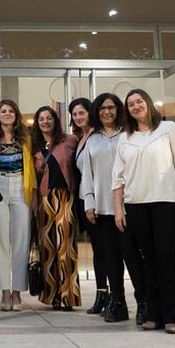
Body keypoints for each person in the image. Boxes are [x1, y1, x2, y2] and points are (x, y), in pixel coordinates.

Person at [112, 89, 175, 334]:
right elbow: (118, 177)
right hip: (136, 204)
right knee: (148, 259)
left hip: (166, 201)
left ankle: (172, 317)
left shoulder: (168, 129)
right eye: (131, 104)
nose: (135, 106)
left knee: (165, 255)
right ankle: (153, 315)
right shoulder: (125, 137)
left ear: (147, 103)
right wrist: (118, 210)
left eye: (139, 101)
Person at [79, 93, 146, 324]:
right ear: (96, 112)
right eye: (102, 108)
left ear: (118, 109)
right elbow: (87, 174)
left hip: (128, 206)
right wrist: (89, 202)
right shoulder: (93, 139)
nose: (107, 112)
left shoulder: (129, 134)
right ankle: (117, 302)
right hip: (102, 208)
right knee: (110, 258)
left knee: (131, 255)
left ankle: (143, 301)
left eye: (111, 107)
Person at [0, 99, 34, 312]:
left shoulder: (26, 138)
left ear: (16, 115)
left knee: (21, 240)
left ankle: (17, 292)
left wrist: (34, 194)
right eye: (3, 111)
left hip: (21, 186)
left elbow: (32, 170)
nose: (7, 114)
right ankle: (4, 291)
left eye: (11, 111)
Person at [32, 105, 81, 310]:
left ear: (55, 120)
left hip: (65, 197)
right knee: (48, 248)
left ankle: (68, 296)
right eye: (41, 118)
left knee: (65, 247)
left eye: (49, 118)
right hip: (44, 200)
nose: (45, 122)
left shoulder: (70, 140)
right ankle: (51, 296)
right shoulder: (34, 145)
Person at [70, 97, 109, 314]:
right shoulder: (80, 138)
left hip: (104, 198)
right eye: (74, 114)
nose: (78, 117)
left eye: (81, 113)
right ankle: (101, 294)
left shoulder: (100, 136)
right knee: (98, 249)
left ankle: (113, 295)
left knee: (108, 249)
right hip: (87, 200)